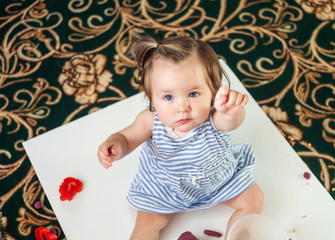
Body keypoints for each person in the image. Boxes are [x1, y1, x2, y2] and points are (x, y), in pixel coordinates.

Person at [97, 35, 263, 240]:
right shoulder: (150, 121)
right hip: (166, 187)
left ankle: (237, 237)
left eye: (193, 94)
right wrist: (115, 145)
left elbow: (232, 121)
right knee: (146, 224)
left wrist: (230, 110)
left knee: (253, 198)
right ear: (152, 99)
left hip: (217, 181)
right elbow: (127, 138)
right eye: (168, 97)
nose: (182, 107)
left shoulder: (213, 117)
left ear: (212, 90)